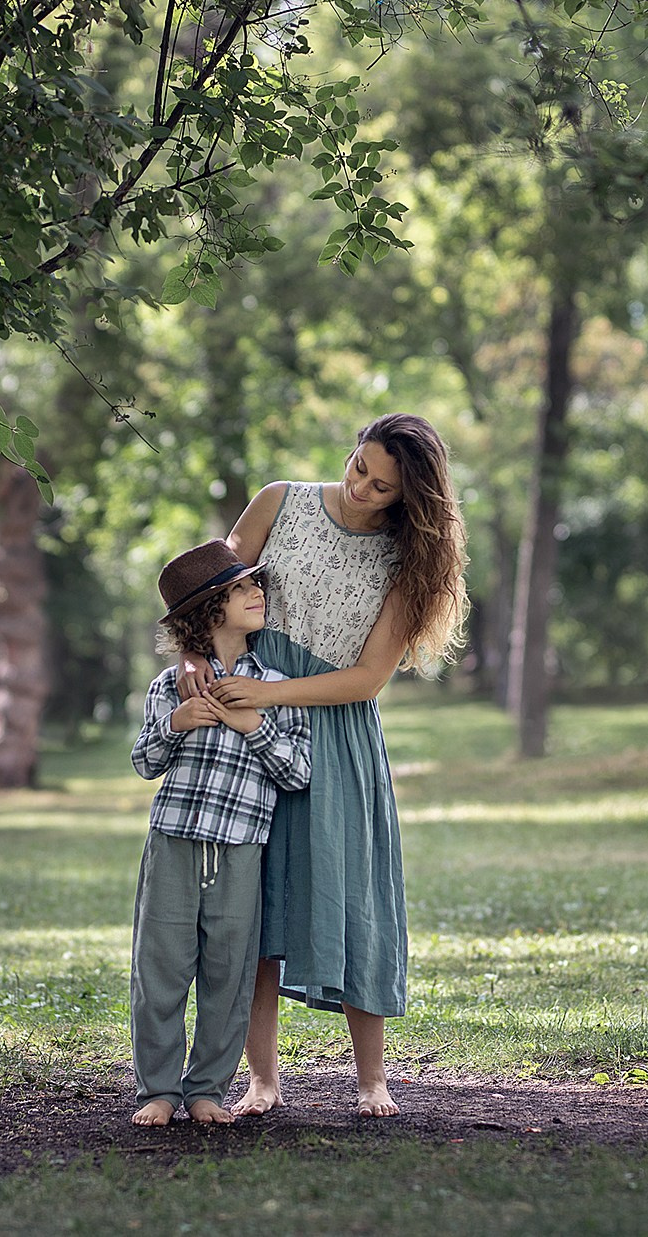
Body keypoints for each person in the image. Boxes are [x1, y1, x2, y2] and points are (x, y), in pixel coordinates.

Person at [182, 413, 468, 1117]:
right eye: (359, 467)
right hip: (243, 724)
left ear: (409, 497)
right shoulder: (278, 501)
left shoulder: (406, 562)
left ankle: (372, 1079)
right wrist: (194, 661)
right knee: (249, 906)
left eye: (382, 486)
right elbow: (204, 600)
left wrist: (274, 692)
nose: (361, 487)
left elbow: (369, 678)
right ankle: (262, 1080)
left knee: (351, 898)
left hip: (334, 733)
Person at [127, 539, 312, 1127]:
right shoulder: (170, 687)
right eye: (240, 589)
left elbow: (298, 772)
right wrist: (177, 724)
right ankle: (158, 1089)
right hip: (174, 840)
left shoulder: (278, 689)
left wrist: (251, 725)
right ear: (207, 611)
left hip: (240, 849)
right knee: (160, 968)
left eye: (255, 584)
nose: (256, 592)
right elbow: (143, 762)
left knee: (228, 973)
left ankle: (207, 1088)